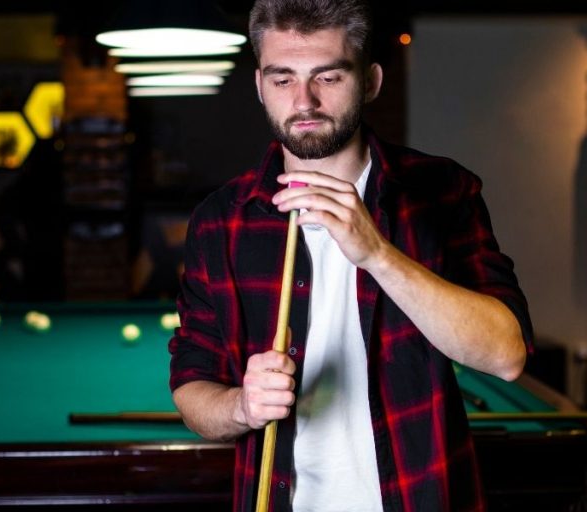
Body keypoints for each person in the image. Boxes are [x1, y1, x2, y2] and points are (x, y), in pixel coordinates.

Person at [169, 0, 533, 510]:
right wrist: (242, 407)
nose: (304, 101)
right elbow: (191, 389)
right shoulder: (220, 220)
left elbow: (506, 355)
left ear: (370, 81)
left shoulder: (441, 190)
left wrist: (378, 253)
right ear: (259, 86)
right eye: (282, 79)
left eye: (329, 77)